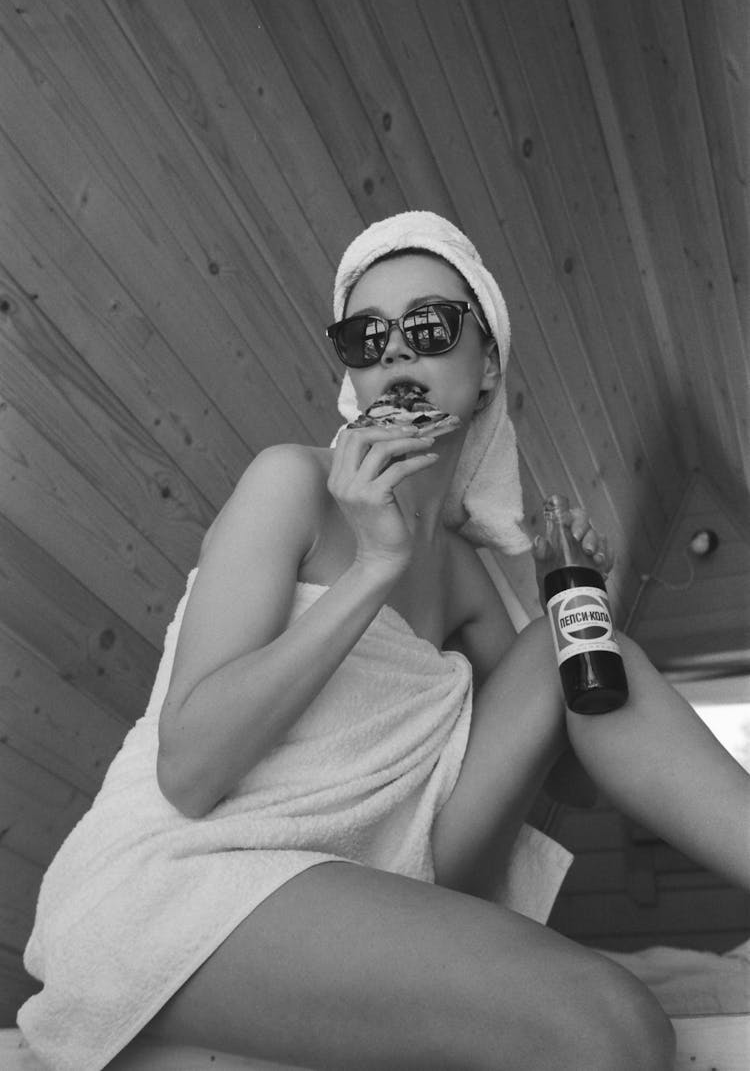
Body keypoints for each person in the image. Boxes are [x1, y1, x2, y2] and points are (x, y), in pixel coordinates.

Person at [19, 212, 749, 1071]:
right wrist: (373, 567)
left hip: (370, 876)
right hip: (188, 878)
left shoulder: (472, 583)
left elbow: (571, 782)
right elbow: (188, 767)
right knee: (612, 1025)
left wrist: (573, 592)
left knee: (582, 644)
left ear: (486, 368)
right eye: (366, 338)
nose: (396, 354)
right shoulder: (289, 485)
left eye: (429, 327)